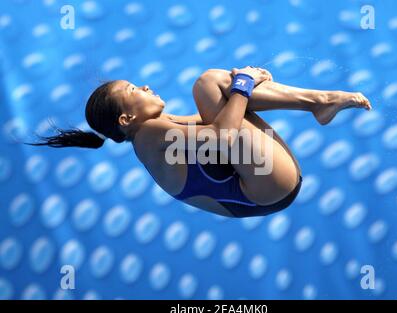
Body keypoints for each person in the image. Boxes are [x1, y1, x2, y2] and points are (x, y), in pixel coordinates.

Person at [25, 66, 371, 218]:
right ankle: (319, 101)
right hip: (264, 189)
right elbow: (224, 135)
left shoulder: (160, 126)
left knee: (215, 85)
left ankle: (319, 102)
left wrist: (244, 87)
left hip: (270, 186)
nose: (144, 87)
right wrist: (246, 82)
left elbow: (225, 119)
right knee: (210, 85)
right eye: (133, 91)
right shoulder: (148, 137)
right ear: (126, 120)